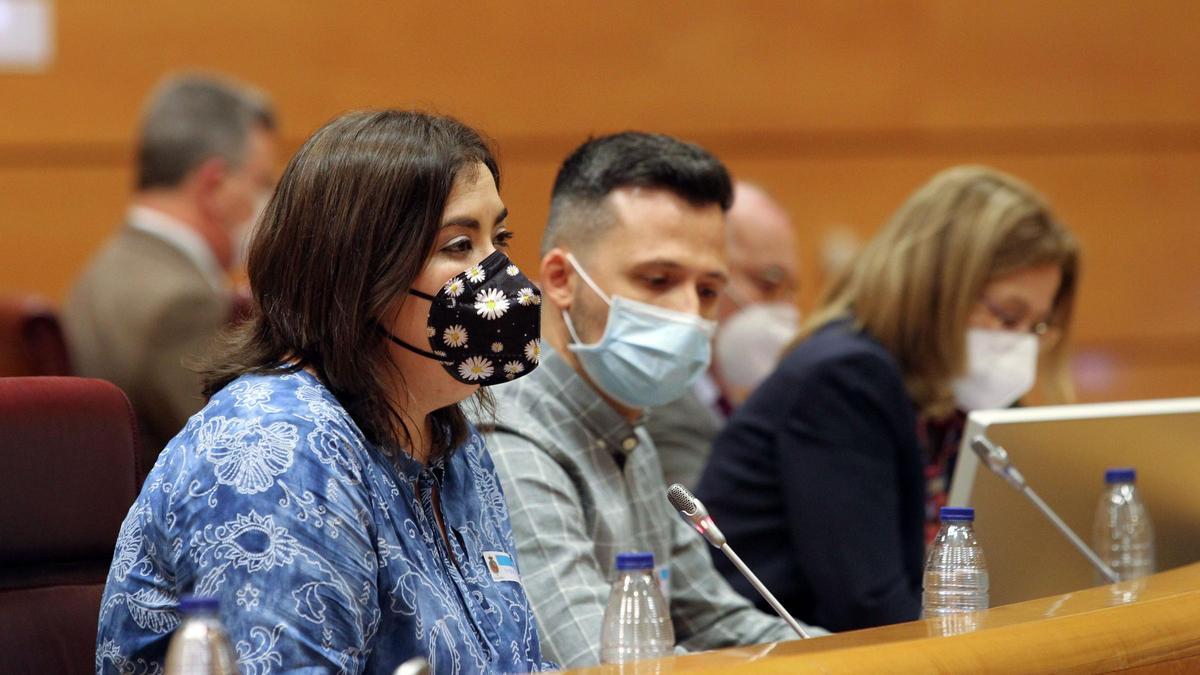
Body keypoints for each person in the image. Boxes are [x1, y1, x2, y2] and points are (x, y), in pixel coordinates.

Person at [97, 110, 553, 673]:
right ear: (359, 272)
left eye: (499, 238)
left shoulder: (452, 442)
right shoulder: (278, 448)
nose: (499, 273)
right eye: (459, 245)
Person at [477, 132, 821, 669]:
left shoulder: (624, 424)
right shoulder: (508, 437)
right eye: (658, 280)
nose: (688, 313)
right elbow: (602, 662)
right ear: (562, 280)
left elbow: (715, 620)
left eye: (708, 291)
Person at [697, 165, 1080, 632]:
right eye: (1008, 316)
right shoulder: (844, 378)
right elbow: (870, 607)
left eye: (1036, 326)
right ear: (936, 287)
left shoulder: (974, 394)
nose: (1018, 343)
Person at [63, 73, 278, 464]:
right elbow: (234, 456)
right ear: (213, 185)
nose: (269, 203)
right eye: (262, 182)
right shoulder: (182, 305)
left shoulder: (102, 268)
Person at [646, 181, 801, 489]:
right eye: (768, 283)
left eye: (790, 291)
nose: (784, 309)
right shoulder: (656, 397)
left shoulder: (736, 397)